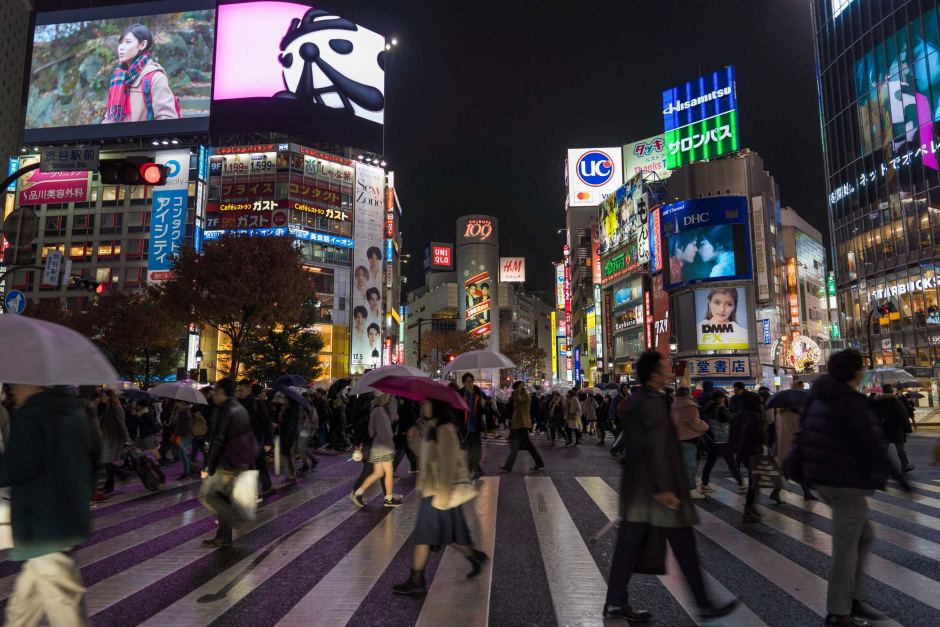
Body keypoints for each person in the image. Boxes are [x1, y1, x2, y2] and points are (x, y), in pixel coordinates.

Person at [604, 352, 737, 621]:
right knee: (684, 546)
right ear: (654, 373)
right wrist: (664, 488)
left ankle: (615, 602)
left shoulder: (639, 400)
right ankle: (703, 603)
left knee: (628, 547)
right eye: (664, 367)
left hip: (639, 489)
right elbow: (655, 446)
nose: (668, 371)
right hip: (658, 491)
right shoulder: (652, 403)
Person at [797, 350, 911, 627]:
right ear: (855, 372)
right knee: (846, 547)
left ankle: (854, 597)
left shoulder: (818, 396)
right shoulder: (850, 401)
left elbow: (804, 432)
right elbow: (871, 443)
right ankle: (839, 611)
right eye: (860, 368)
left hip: (822, 477)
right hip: (845, 480)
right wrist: (902, 480)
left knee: (863, 535)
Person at [0, 384, 98, 626]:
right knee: (23, 606)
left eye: (15, 385)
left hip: (43, 524)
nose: (12, 391)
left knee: (64, 603)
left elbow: (16, 467)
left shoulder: (32, 415)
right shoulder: (76, 412)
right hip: (67, 516)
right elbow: (94, 458)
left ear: (32, 383)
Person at [393, 399, 488, 595]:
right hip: (436, 492)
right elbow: (425, 457)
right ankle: (474, 557)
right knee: (453, 534)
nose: (422, 407)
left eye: (426, 403)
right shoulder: (431, 428)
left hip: (439, 494)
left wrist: (442, 499)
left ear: (437, 406)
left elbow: (448, 465)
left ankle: (417, 580)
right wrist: (413, 439)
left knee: (423, 537)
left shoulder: (445, 430)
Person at [200, 378, 259, 548]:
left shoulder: (224, 410)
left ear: (221, 391)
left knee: (210, 496)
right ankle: (223, 536)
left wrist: (208, 466)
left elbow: (218, 439)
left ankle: (234, 520)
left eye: (215, 391)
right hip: (238, 460)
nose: (213, 395)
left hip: (226, 462)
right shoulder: (239, 407)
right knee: (222, 498)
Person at [102, 23, 178, 123]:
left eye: (128, 42)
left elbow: (167, 118)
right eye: (120, 42)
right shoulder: (118, 77)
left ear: (142, 45)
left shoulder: (155, 77)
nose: (121, 47)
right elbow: (110, 117)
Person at [350, 394, 401, 508]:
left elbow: (371, 431)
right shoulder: (380, 411)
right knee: (387, 472)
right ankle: (388, 499)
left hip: (377, 445)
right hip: (384, 446)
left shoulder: (374, 409)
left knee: (378, 473)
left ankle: (358, 492)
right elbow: (386, 431)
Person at [731, 391, 768, 522]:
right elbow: (759, 436)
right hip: (754, 451)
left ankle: (751, 508)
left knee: (754, 480)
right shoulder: (754, 416)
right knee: (755, 482)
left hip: (742, 452)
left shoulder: (737, 416)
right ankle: (749, 510)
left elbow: (732, 435)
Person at [699, 388, 744, 493]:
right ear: (720, 398)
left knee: (710, 462)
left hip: (711, 439)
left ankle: (704, 484)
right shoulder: (720, 408)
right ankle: (741, 484)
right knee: (731, 462)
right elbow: (731, 419)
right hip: (723, 439)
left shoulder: (707, 408)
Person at [671, 387, 709, 500]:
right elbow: (695, 422)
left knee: (680, 465)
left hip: (676, 438)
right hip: (688, 438)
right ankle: (690, 489)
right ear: (688, 394)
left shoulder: (674, 405)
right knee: (690, 465)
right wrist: (705, 426)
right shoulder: (690, 406)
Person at [237, 381, 274, 496]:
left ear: (249, 389)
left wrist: (268, 441)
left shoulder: (257, 403)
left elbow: (266, 423)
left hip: (256, 439)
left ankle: (260, 487)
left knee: (256, 463)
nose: (239, 392)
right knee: (256, 463)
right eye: (238, 390)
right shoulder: (238, 403)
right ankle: (264, 486)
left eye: (241, 390)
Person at [500, 382, 545, 473]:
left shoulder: (525, 396)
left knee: (516, 446)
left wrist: (517, 391)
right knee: (528, 446)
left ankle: (508, 466)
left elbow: (520, 400)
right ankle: (539, 462)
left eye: (515, 388)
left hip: (522, 424)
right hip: (517, 424)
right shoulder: (517, 396)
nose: (514, 390)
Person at [874, 384, 915, 473]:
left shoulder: (877, 401)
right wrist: (908, 429)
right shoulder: (896, 401)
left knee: (883, 448)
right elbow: (903, 415)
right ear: (891, 391)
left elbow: (874, 415)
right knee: (900, 448)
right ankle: (905, 465)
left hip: (883, 428)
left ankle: (879, 466)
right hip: (896, 428)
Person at [96, 389, 129, 493]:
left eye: (103, 396)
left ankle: (117, 478)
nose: (101, 398)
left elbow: (122, 424)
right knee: (106, 462)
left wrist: (126, 440)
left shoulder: (116, 408)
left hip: (114, 439)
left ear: (109, 396)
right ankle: (110, 484)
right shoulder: (108, 408)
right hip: (107, 439)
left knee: (106, 461)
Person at [459, 374, 485, 479]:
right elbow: (456, 412)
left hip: (476, 427)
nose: (470, 384)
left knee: (476, 451)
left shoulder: (479, 393)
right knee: (469, 451)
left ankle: (473, 470)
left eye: (471, 381)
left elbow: (484, 411)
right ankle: (474, 470)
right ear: (464, 383)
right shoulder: (460, 394)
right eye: (468, 382)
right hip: (465, 428)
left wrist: (483, 405)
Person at [393, 399, 419, 474]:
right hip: (407, 432)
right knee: (406, 451)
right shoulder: (410, 408)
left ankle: (392, 469)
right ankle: (414, 468)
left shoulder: (404, 408)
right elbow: (410, 421)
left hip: (404, 433)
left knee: (404, 450)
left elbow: (402, 421)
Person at [172, 401, 194, 481]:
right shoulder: (182, 411)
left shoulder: (184, 412)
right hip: (183, 434)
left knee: (183, 453)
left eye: (178, 402)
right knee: (183, 453)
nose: (176, 404)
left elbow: (187, 425)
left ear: (182, 403)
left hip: (184, 435)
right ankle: (189, 468)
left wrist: (178, 433)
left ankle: (186, 472)